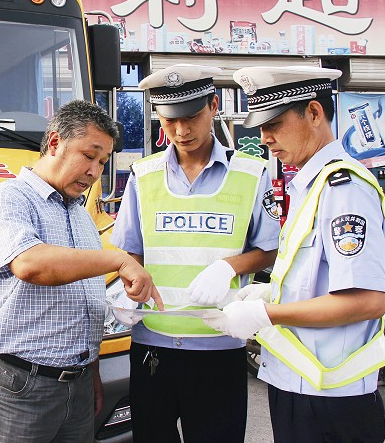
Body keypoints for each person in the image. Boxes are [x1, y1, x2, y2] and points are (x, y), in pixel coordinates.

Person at [204, 66, 385, 443]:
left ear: (314, 113)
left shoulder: (344, 188)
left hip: (331, 400)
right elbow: (315, 282)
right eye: (260, 126)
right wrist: (270, 295)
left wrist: (265, 313)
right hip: (299, 384)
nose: (264, 137)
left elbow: (368, 301)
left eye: (273, 123)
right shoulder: (311, 182)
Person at [0, 99, 164, 442]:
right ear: (56, 142)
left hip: (76, 383)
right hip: (21, 384)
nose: (94, 172)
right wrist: (119, 261)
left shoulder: (79, 213)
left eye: (103, 162)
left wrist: (91, 370)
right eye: (89, 156)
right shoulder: (10, 199)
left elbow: (84, 294)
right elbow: (30, 264)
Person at [109, 64, 280, 443]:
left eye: (191, 118)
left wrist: (228, 266)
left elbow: (269, 248)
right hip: (153, 345)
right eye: (169, 121)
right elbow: (128, 252)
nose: (181, 131)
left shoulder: (252, 172)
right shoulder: (144, 174)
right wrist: (130, 284)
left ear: (214, 106)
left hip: (219, 346)